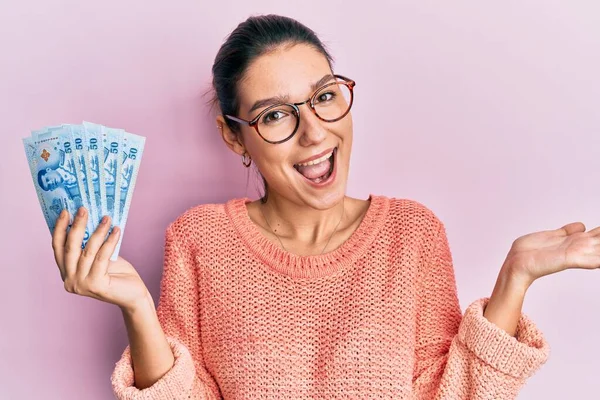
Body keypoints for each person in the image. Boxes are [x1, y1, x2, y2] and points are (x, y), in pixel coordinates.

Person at [49, 14, 600, 400]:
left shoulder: (413, 234)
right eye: (274, 115)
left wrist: (515, 277)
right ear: (235, 137)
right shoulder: (199, 240)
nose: (315, 133)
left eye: (325, 96)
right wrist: (138, 310)